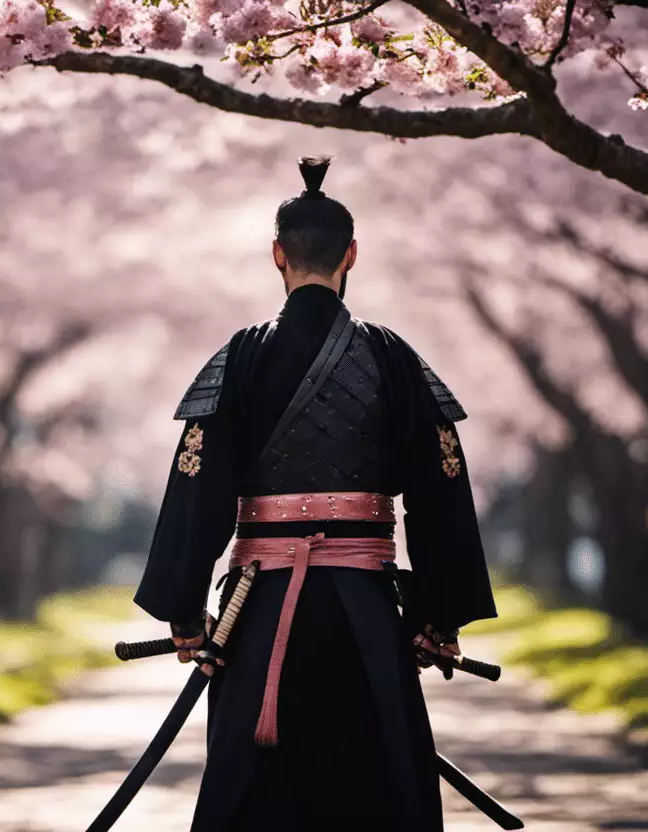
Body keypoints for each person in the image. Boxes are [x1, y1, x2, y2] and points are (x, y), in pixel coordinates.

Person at [133, 156, 498, 832]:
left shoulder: (237, 358)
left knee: (254, 787)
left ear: (277, 255)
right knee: (380, 784)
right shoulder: (394, 358)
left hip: (259, 608)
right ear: (351, 255)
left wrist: (183, 613)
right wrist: (439, 617)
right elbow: (443, 486)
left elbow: (196, 484)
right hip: (366, 606)